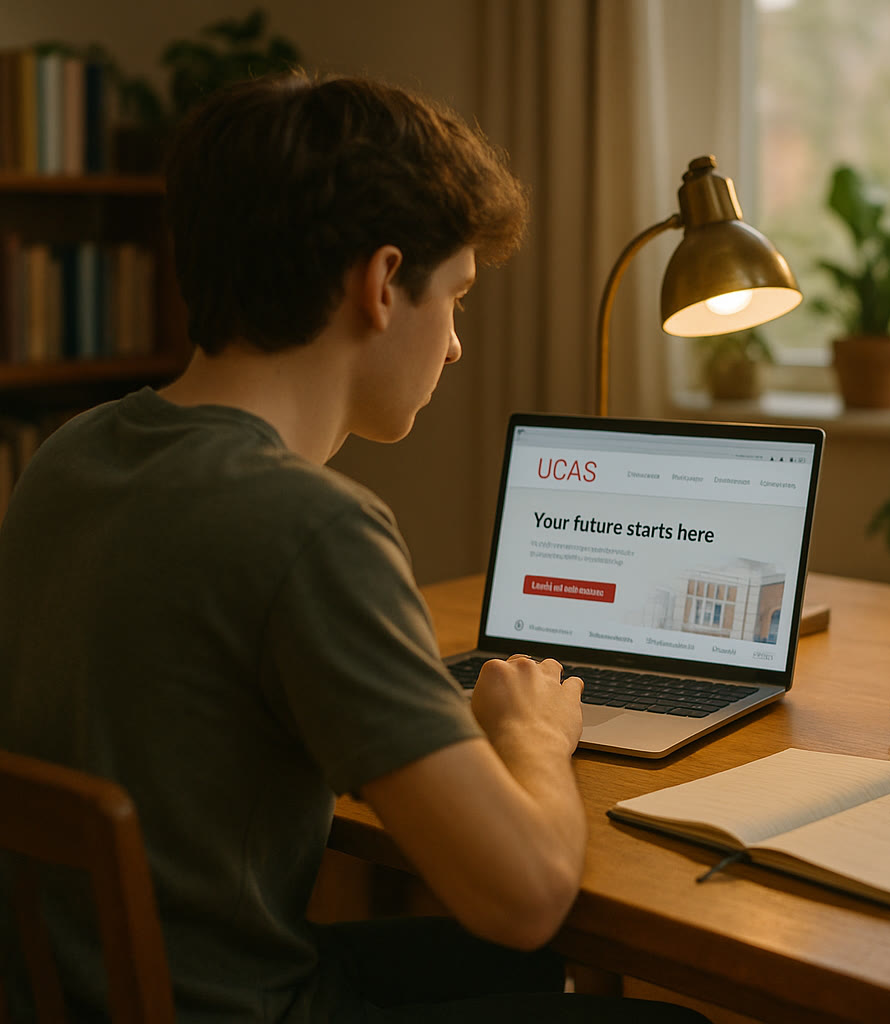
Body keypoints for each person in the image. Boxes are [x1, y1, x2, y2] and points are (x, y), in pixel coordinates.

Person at [0, 72, 705, 1023]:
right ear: (380, 286)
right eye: (454, 295)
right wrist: (533, 736)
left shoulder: (68, 456)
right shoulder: (309, 525)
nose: (455, 345)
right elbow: (527, 895)